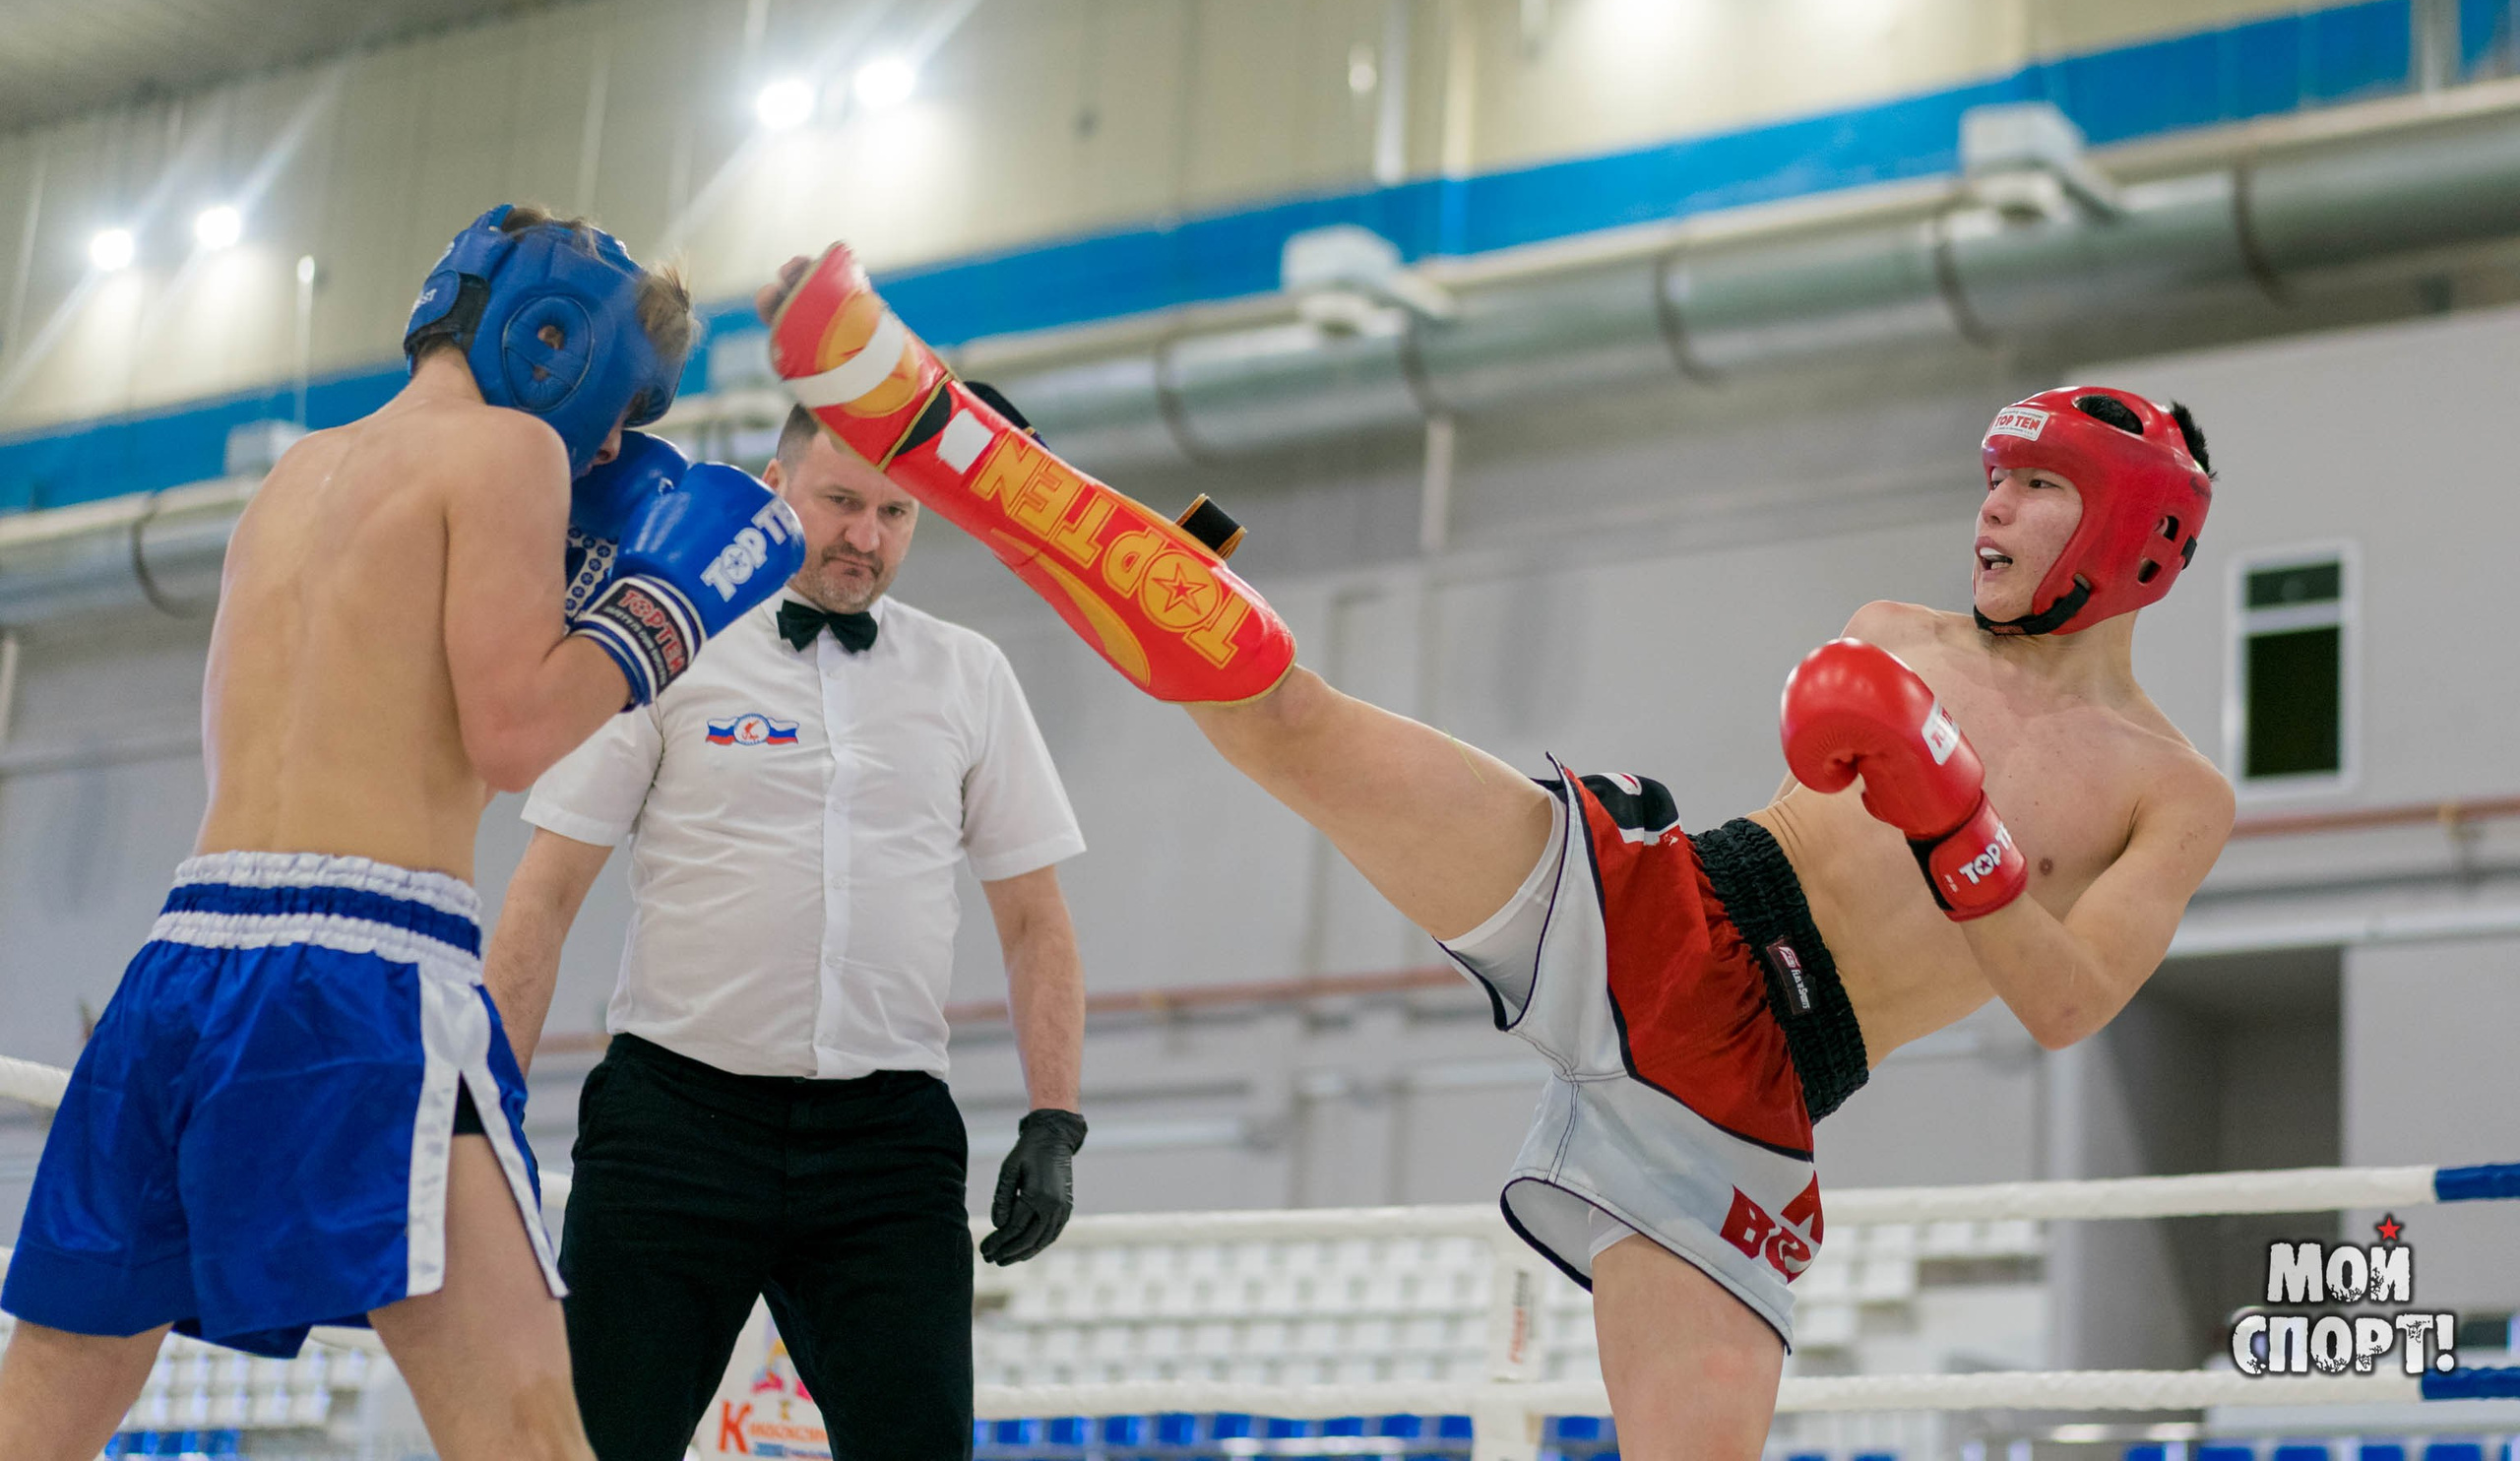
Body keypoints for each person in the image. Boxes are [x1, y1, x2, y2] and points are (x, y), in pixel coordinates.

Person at [760, 245, 2237, 1461]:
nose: (1992, 506)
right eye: (1994, 476)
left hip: (1756, 1090)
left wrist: (1952, 821)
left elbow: (2066, 1006)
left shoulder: (2171, 791)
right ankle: (958, 446)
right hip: (1669, 905)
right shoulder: (1895, 634)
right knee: (1293, 718)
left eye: (2036, 486)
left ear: (2129, 530)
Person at [0, 205, 802, 1461]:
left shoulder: (292, 476)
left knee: (41, 1415)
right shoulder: (508, 455)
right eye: (619, 406)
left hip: (179, 967)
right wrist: (665, 611)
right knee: (528, 1429)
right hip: (359, 973)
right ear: (556, 343)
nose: (609, 444)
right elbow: (514, 733)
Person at [485, 398, 1091, 1461]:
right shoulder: (665, 649)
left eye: (895, 513)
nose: (865, 536)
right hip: (674, 1126)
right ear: (776, 487)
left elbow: (1036, 920)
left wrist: (1055, 1121)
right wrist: (484, 1117)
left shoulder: (969, 675)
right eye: (842, 501)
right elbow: (543, 895)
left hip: (886, 1145)